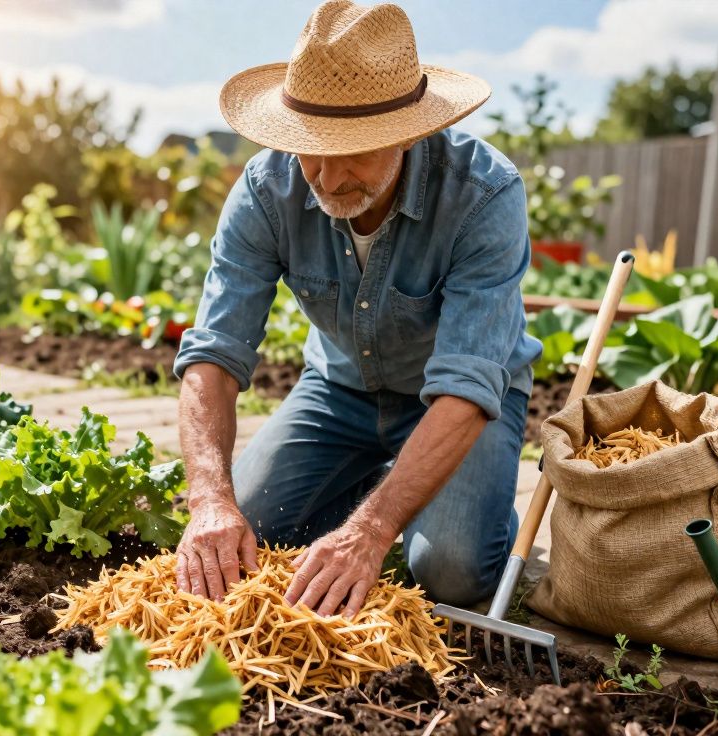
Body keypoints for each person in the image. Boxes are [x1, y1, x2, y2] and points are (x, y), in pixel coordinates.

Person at [172, 0, 542, 618]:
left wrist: (370, 532)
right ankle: (389, 486)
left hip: (459, 403)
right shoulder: (267, 191)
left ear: (409, 133)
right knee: (249, 535)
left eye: (355, 150)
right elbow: (212, 352)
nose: (327, 174)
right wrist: (209, 499)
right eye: (310, 148)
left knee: (449, 571)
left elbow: (468, 381)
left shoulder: (484, 194)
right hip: (338, 389)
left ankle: (456, 494)